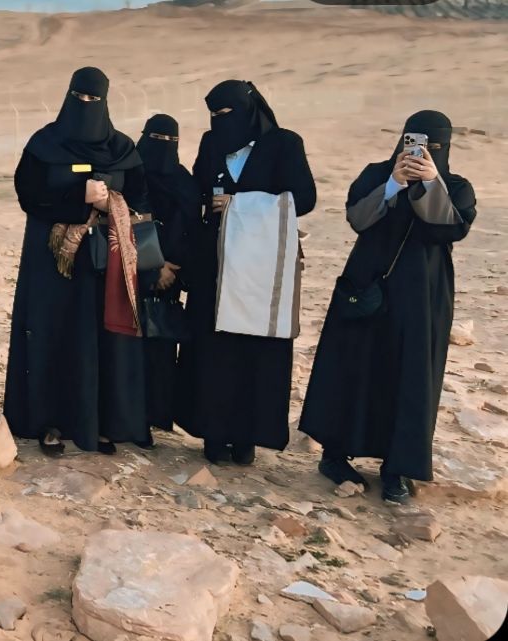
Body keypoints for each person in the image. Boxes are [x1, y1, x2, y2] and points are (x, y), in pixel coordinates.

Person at [300, 110, 476, 504]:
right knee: (353, 366)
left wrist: (430, 183)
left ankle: (397, 469)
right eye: (416, 143)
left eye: (433, 147)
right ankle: (334, 456)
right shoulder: (376, 174)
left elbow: (451, 228)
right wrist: (393, 184)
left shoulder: (456, 186)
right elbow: (358, 218)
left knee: (411, 377)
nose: (422, 152)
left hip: (423, 296)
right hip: (368, 286)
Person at [4, 67, 152, 457]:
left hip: (103, 262)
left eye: (93, 99)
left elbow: (141, 198)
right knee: (53, 334)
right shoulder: (44, 144)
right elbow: (28, 196)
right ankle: (48, 423)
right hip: (51, 262)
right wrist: (77, 197)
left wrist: (109, 202)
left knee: (100, 338)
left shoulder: (122, 149)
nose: (86, 105)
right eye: (79, 98)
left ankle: (97, 422)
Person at [175, 79, 317, 466]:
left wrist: (239, 205)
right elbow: (198, 189)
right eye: (214, 115)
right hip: (215, 262)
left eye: (227, 113)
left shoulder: (284, 144)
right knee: (214, 347)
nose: (221, 121)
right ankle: (212, 432)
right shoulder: (211, 143)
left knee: (254, 347)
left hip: (261, 264)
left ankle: (247, 436)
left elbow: (304, 198)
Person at [135, 113, 195, 433]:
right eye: (157, 140)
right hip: (133, 273)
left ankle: (157, 416)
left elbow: (192, 228)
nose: (163, 148)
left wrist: (173, 267)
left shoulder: (183, 180)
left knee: (161, 345)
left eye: (170, 142)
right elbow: (129, 221)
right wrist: (153, 266)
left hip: (169, 278)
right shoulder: (132, 175)